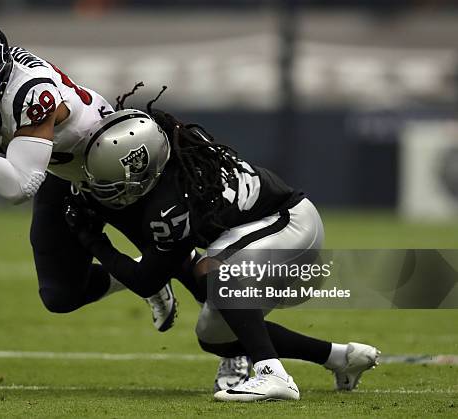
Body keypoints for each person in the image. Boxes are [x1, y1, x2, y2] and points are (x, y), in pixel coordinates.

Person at [63, 104, 380, 401]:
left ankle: (273, 374)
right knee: (215, 336)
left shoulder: (167, 204)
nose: (105, 192)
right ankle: (342, 357)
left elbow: (145, 281)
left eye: (115, 183)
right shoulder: (168, 145)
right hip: (262, 239)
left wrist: (93, 240)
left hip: (291, 226)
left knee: (218, 269)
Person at [0, 20, 179, 332]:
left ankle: (234, 356)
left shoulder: (29, 91)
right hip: (59, 170)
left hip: (108, 167)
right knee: (61, 294)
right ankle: (146, 279)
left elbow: (21, 186)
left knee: (179, 257)